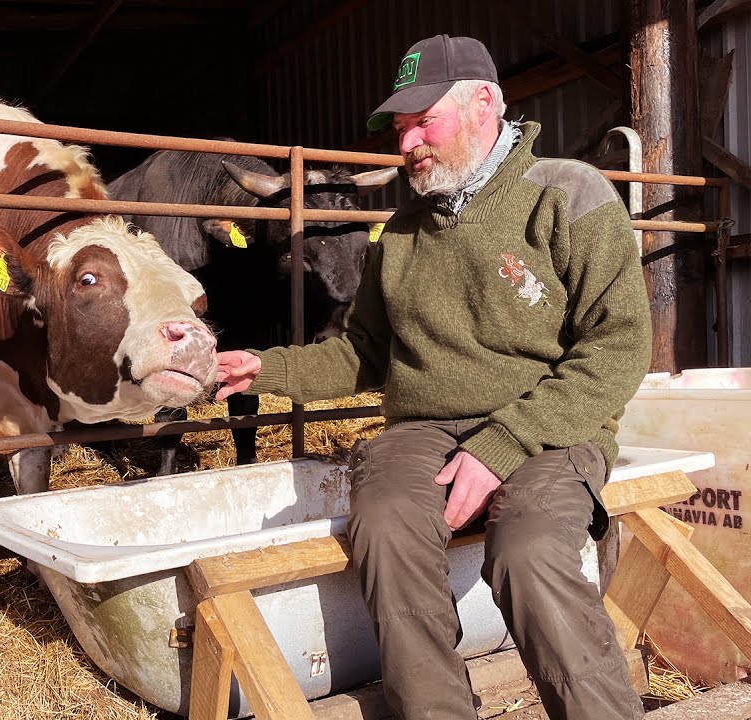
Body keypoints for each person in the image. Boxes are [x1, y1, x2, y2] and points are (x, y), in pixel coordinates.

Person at [216, 34, 651, 720]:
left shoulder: (567, 195)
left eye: (425, 121)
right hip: (422, 431)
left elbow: (618, 348)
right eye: (400, 128)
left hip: (551, 426)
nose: (408, 143)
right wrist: (261, 368)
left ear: (483, 104)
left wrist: (500, 447)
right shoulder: (399, 234)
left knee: (531, 550)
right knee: (384, 525)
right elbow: (363, 353)